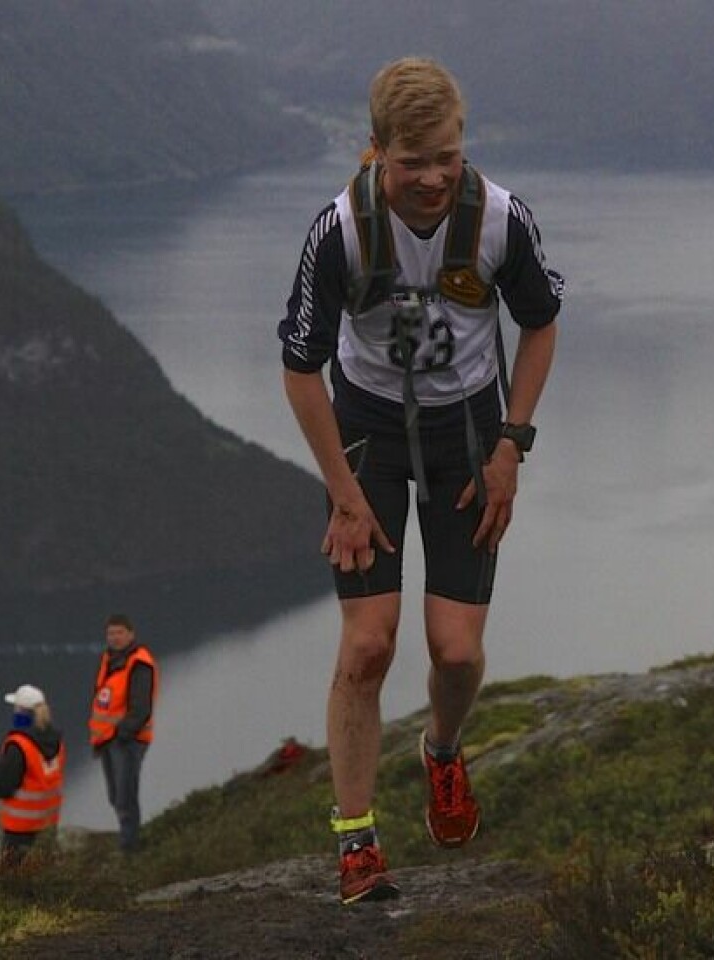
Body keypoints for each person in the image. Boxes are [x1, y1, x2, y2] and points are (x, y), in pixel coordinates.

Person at [278, 56, 563, 904]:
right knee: (368, 644)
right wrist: (342, 492)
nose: (435, 177)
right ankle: (357, 842)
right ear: (377, 153)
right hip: (367, 433)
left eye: (448, 155)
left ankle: (441, 750)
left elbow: (542, 325)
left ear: (463, 143)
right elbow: (301, 370)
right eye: (413, 161)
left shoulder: (499, 218)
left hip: (468, 437)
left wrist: (512, 446)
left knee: (457, 650)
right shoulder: (340, 230)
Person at [88, 613, 159, 853]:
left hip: (127, 741)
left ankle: (130, 849)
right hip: (108, 740)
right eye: (111, 633)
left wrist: (122, 734)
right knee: (116, 795)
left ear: (131, 634)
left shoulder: (139, 663)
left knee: (125, 795)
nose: (115, 638)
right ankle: (128, 839)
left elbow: (141, 708)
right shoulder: (109, 660)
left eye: (119, 633)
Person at [0, 683, 65, 866]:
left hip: (20, 829)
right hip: (47, 824)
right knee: (43, 872)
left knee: (12, 878)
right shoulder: (56, 742)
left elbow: (0, 785)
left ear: (22, 713)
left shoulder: (19, 746)